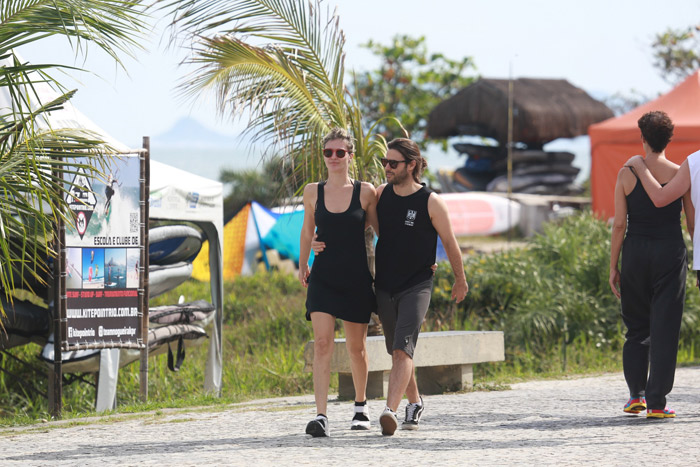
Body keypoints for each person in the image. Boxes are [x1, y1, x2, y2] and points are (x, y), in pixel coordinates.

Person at [373, 138, 468, 435]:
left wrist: (460, 278)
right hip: (385, 285)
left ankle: (390, 411)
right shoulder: (379, 195)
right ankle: (414, 401)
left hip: (417, 285)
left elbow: (450, 243)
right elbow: (367, 227)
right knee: (398, 350)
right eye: (385, 163)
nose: (387, 168)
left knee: (402, 349)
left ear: (411, 165)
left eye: (393, 163)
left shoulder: (431, 201)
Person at [612, 111, 694, 419]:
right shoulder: (681, 173)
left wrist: (613, 265)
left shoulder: (626, 173)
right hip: (670, 253)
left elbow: (619, 224)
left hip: (635, 251)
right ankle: (657, 404)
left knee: (636, 327)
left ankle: (636, 396)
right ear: (669, 140)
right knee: (665, 327)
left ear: (642, 138)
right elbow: (691, 222)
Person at [298, 127, 378, 437]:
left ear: (350, 156)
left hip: (356, 278)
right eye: (328, 152)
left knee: (357, 348)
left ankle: (361, 406)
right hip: (324, 278)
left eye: (339, 152)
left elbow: (383, 233)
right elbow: (307, 231)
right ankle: (321, 415)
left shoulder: (366, 192)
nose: (333, 157)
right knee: (322, 344)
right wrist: (303, 261)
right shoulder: (312, 191)